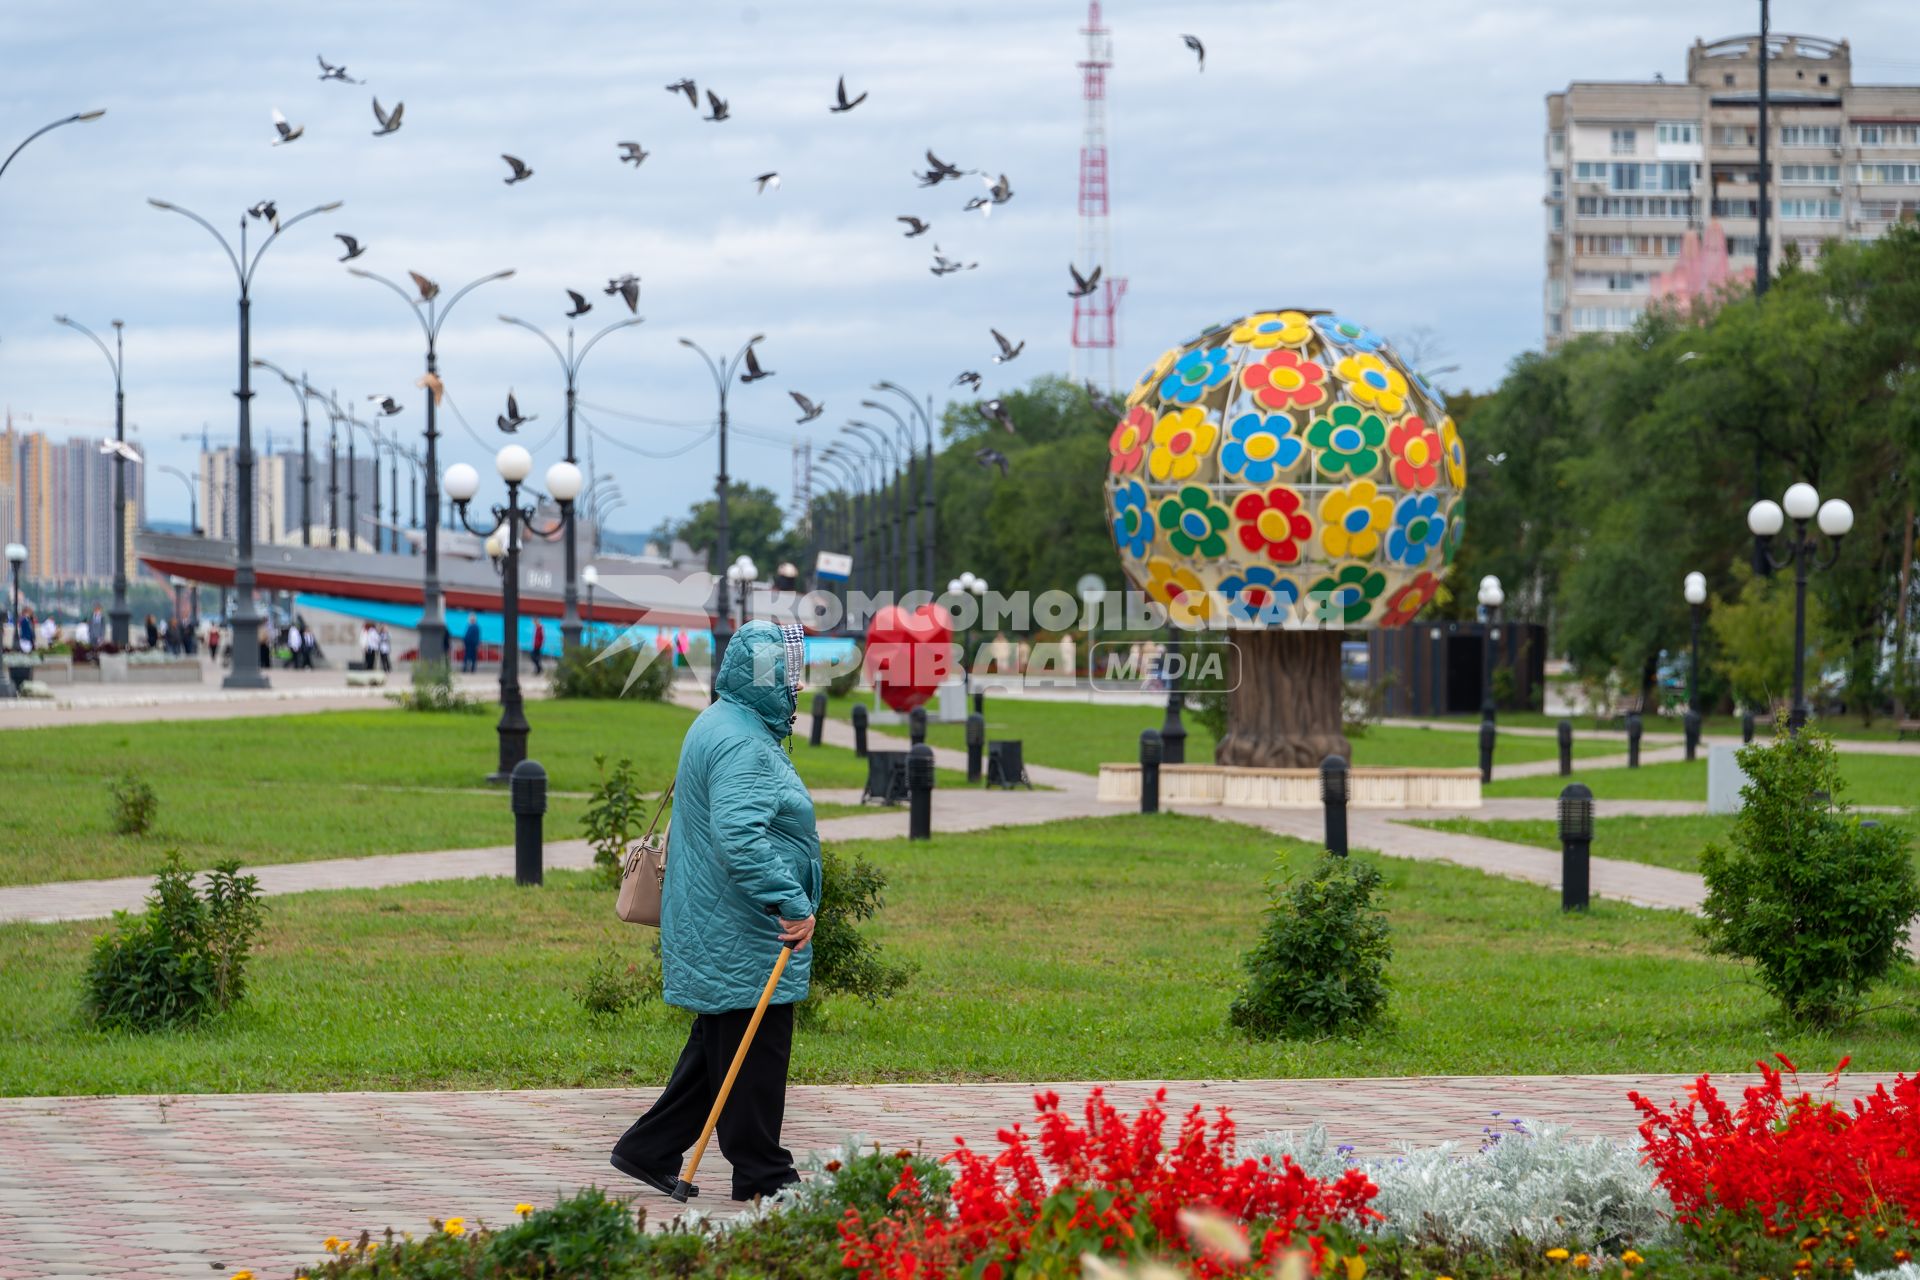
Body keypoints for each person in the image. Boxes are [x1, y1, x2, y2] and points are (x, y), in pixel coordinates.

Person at [610, 621, 821, 1204]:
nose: (798, 685)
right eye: (790, 674)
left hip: (717, 919)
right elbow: (740, 838)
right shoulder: (742, 742)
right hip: (744, 926)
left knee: (719, 1051)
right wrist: (791, 900)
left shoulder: (723, 720)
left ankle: (648, 1148)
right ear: (768, 678)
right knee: (754, 1051)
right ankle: (763, 1174)